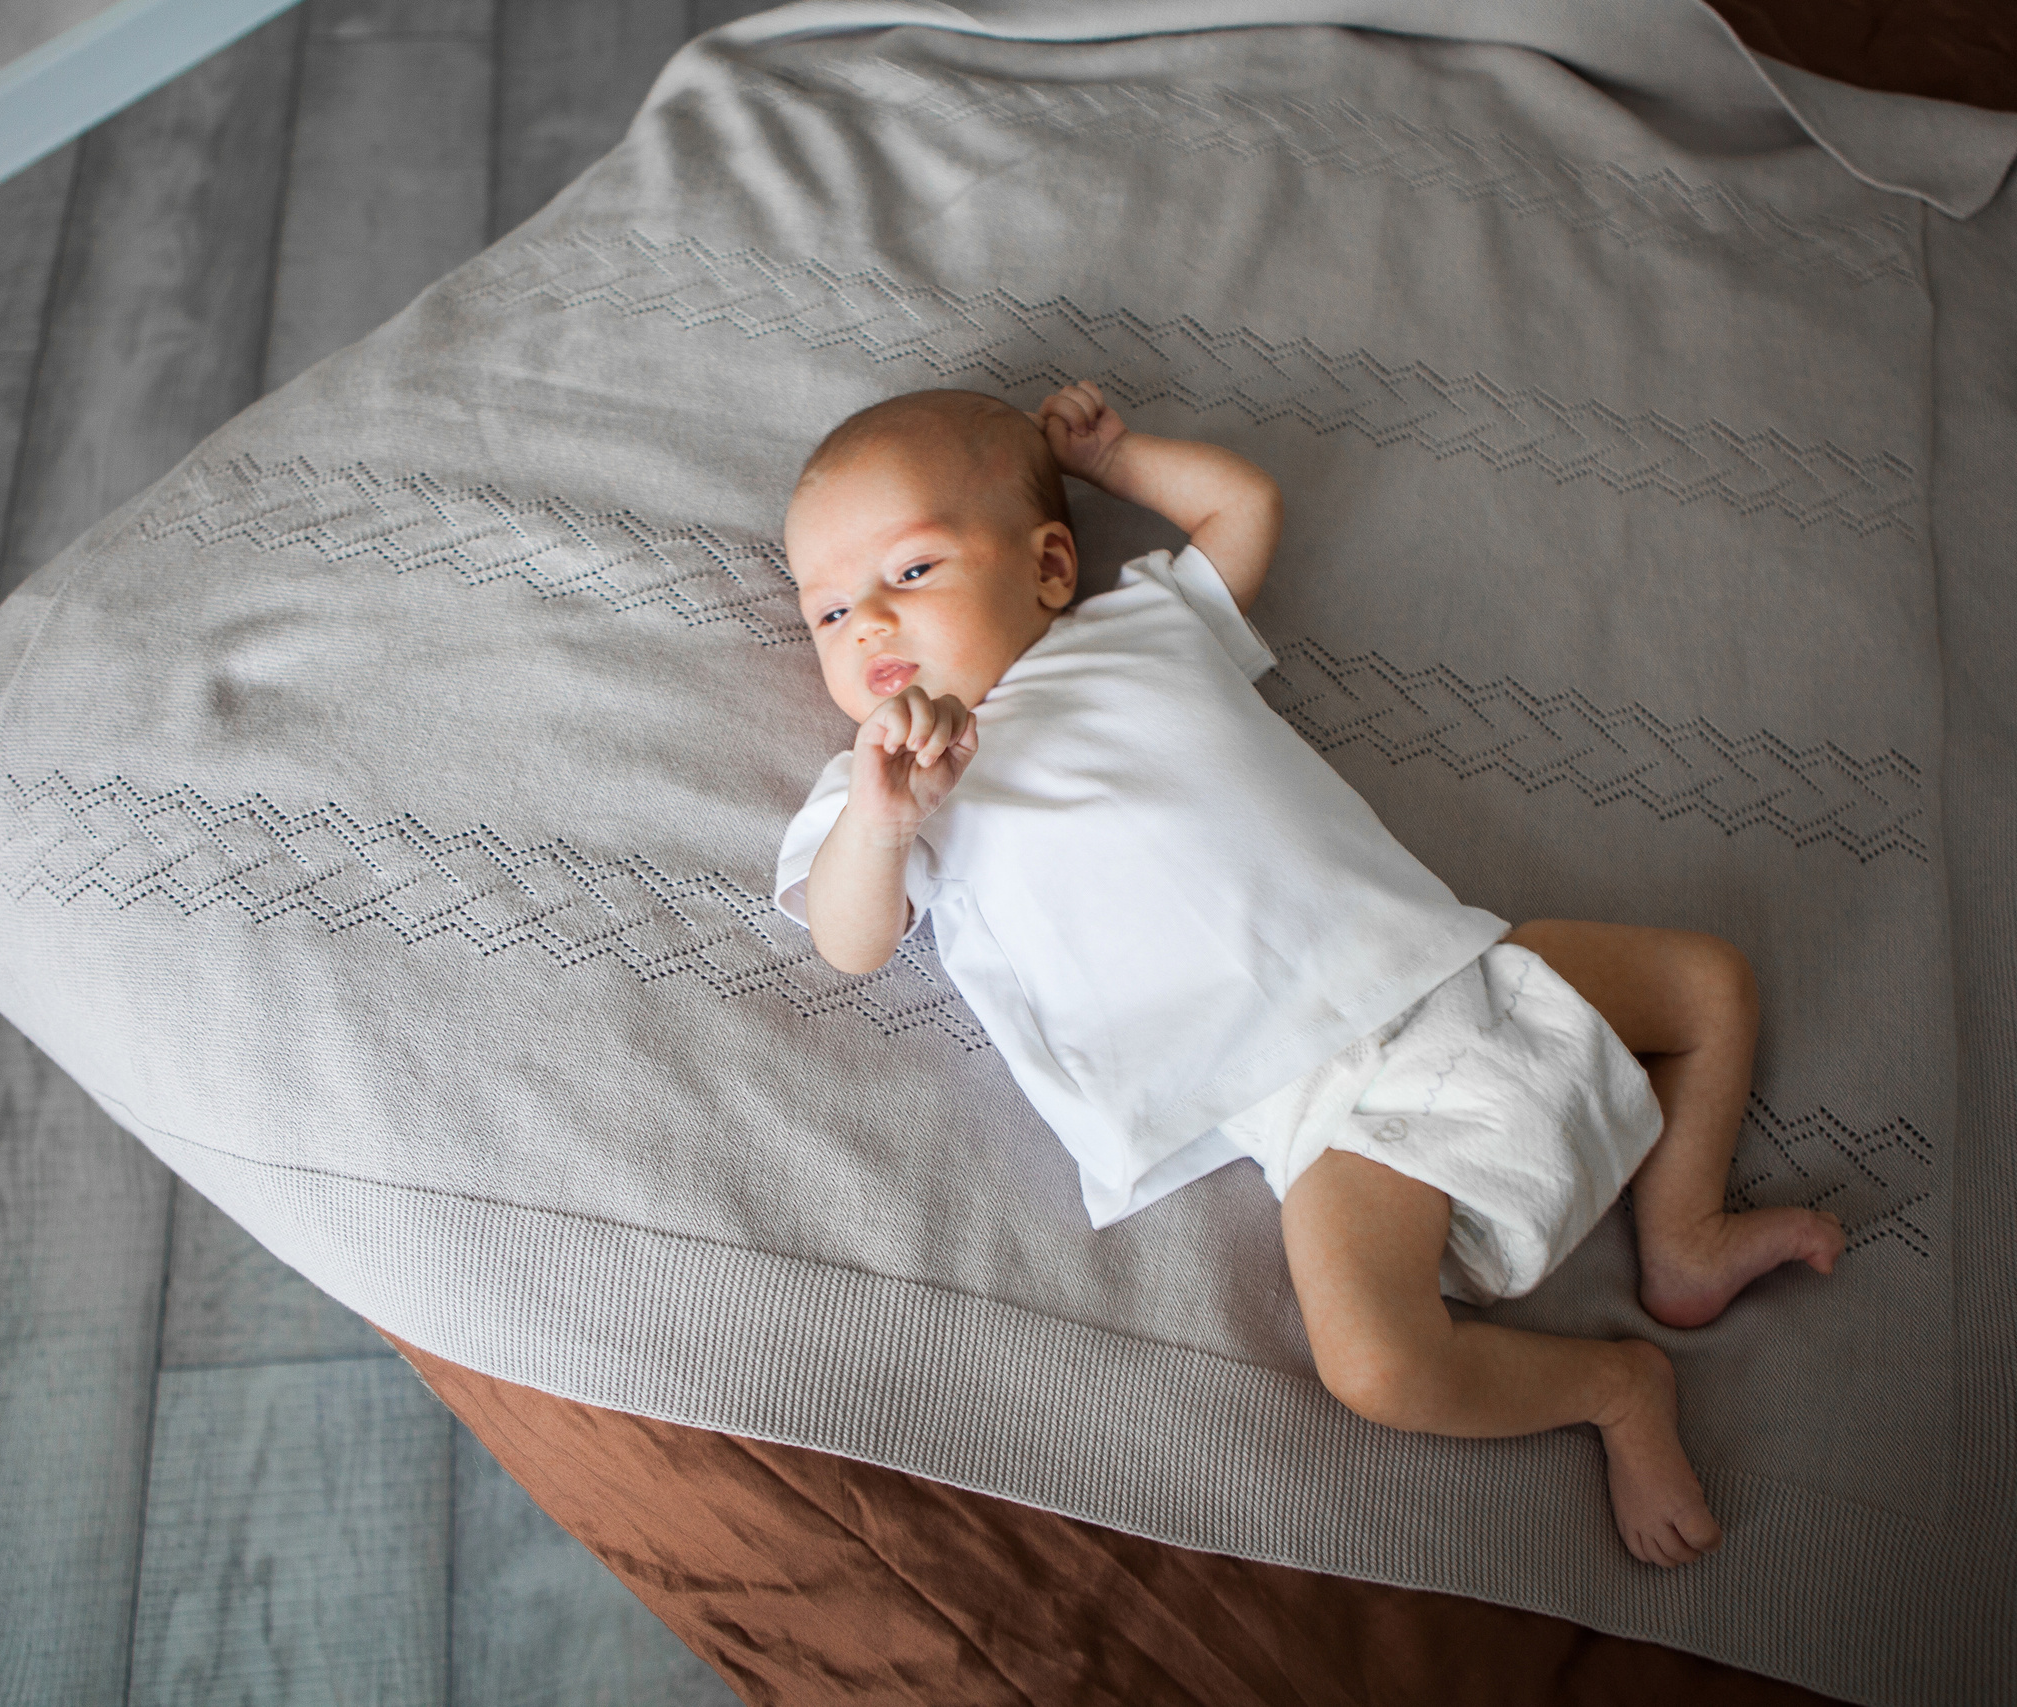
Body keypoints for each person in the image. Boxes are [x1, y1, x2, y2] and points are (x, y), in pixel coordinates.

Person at [772, 383, 1846, 1567]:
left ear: (1047, 566)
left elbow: (1243, 510)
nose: (865, 624)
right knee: (1380, 1363)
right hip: (1325, 1113)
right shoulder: (880, 794)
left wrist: (1119, 457)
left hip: (1460, 966)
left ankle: (1684, 1235)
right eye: (825, 613)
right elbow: (848, 940)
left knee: (1709, 983)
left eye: (908, 573)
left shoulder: (1139, 629)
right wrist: (881, 822)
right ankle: (1611, 1388)